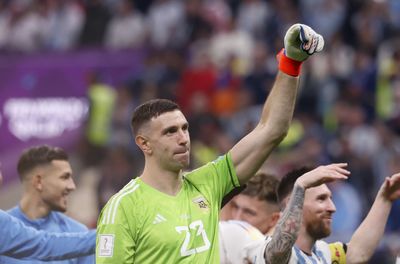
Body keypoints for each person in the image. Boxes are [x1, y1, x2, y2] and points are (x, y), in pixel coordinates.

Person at [96, 23, 324, 263]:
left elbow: (272, 131)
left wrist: (290, 62)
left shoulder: (207, 184)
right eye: (170, 132)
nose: (183, 138)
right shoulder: (123, 207)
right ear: (144, 144)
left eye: (185, 128)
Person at [247, 164, 400, 264]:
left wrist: (384, 199)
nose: (332, 207)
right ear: (293, 204)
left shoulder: (322, 253)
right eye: (321, 199)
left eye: (330, 198)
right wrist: (300, 187)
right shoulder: (264, 249)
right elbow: (277, 254)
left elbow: (357, 252)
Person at [0, 145, 95, 264]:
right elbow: (44, 245)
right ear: (39, 181)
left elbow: (44, 245)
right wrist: (105, 234)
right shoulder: (5, 230)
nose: (72, 186)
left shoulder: (78, 232)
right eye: (64, 177)